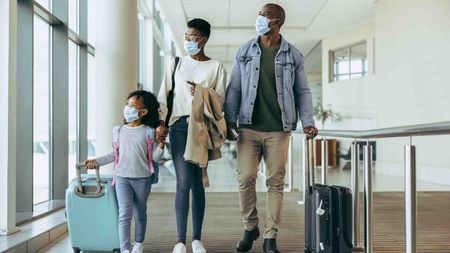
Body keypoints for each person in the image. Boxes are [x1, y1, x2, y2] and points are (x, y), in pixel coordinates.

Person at [224, 3, 318, 253]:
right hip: (248, 128)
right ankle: (250, 227)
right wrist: (228, 120)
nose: (260, 19)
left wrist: (308, 121)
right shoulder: (245, 51)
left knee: (275, 182)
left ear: (278, 22)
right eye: (259, 14)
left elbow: (302, 91)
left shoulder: (293, 55)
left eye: (265, 15)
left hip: (279, 129)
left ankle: (270, 237)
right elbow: (234, 88)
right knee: (245, 179)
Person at [157, 18, 227, 253]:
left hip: (202, 128)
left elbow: (220, 102)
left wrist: (202, 93)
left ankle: (196, 239)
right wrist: (160, 124)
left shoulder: (216, 67)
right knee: (183, 182)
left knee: (197, 184)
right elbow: (163, 96)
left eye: (192, 37)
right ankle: (180, 241)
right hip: (178, 127)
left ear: (204, 39)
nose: (187, 41)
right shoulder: (176, 63)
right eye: (185, 36)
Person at [84, 90, 165, 253]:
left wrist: (162, 145)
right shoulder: (118, 131)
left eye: (133, 105)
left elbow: (154, 158)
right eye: (127, 104)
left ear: (143, 112)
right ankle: (125, 249)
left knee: (140, 212)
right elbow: (113, 155)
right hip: (122, 178)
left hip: (143, 179)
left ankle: (139, 243)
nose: (128, 107)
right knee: (124, 214)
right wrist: (96, 162)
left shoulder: (148, 131)